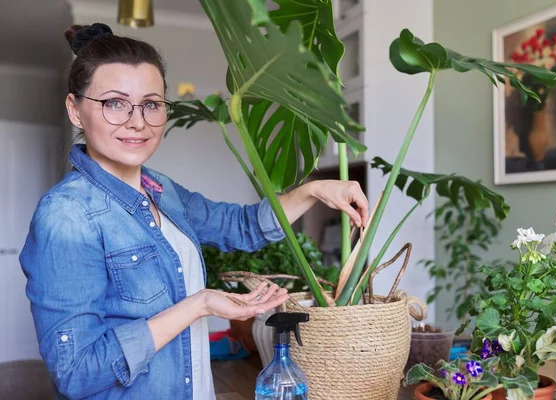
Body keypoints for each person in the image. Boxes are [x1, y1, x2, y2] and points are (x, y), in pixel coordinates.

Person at [19, 23, 369, 400]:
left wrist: (314, 190)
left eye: (151, 104)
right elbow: (76, 372)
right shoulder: (67, 215)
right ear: (75, 110)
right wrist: (198, 305)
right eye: (114, 103)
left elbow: (243, 225)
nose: (137, 121)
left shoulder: (162, 191)